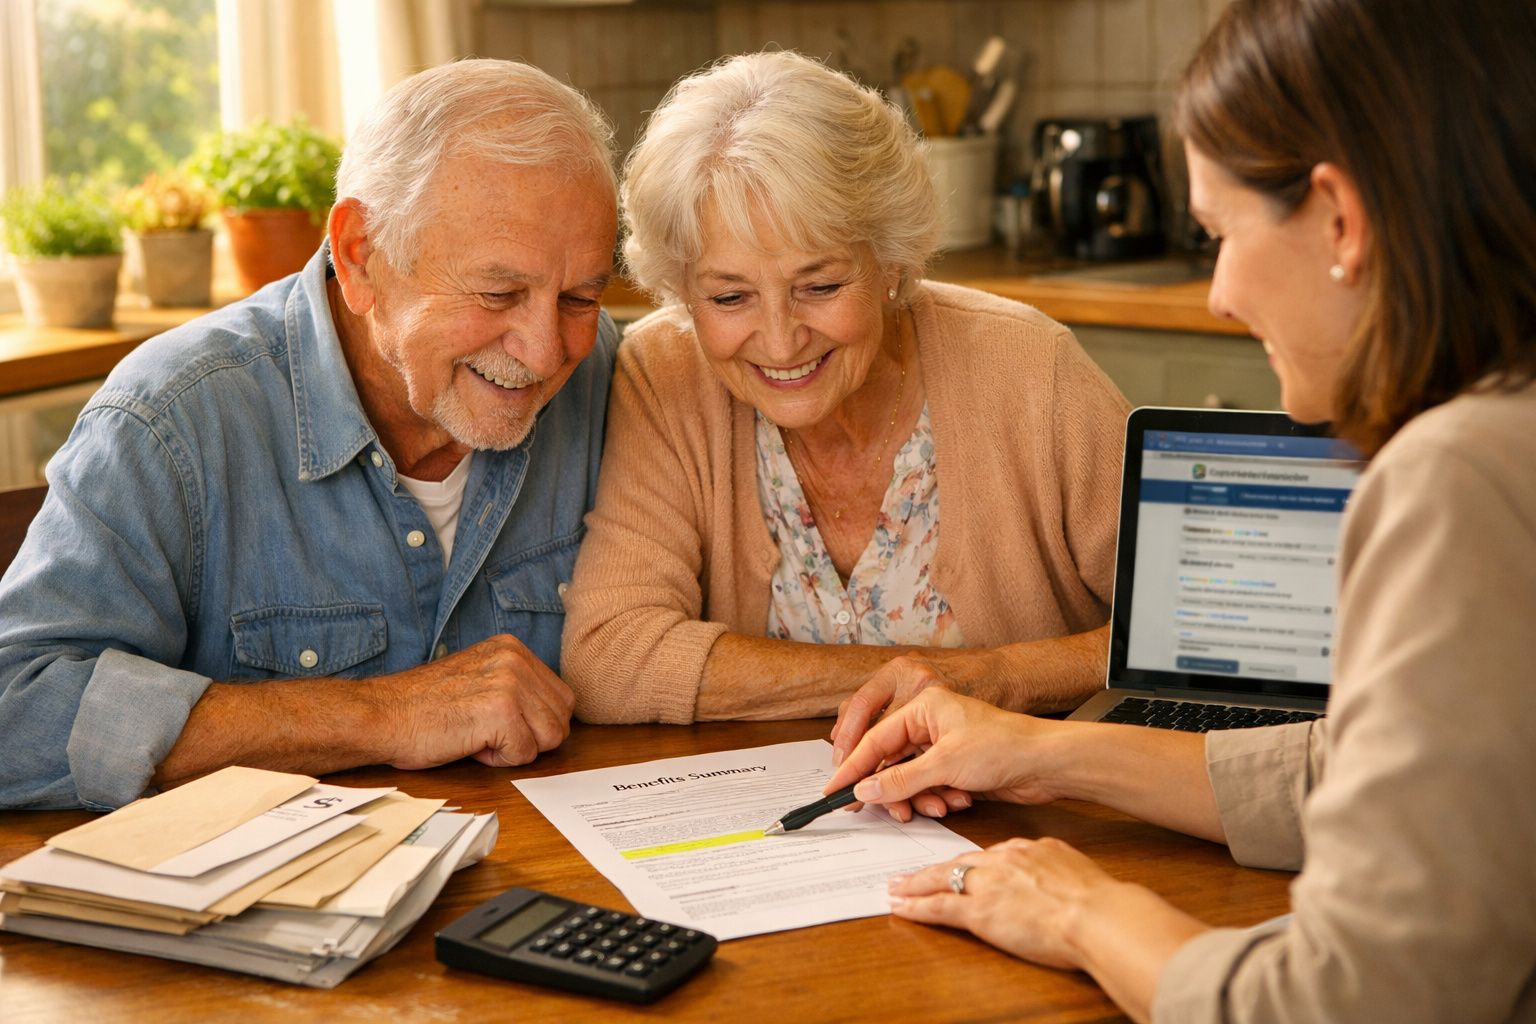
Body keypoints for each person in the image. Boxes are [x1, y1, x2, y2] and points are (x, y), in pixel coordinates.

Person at [825, 0, 1536, 1020]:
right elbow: (1376, 779)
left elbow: (1346, 1004)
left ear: (1341, 219)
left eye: (1219, 235)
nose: (1218, 296)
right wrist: (1039, 752)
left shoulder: (1458, 478)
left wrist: (1081, 911)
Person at [0, 59, 622, 810]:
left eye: (579, 297)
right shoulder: (170, 418)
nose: (546, 352)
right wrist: (381, 714)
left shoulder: (612, 375)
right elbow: (15, 708)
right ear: (360, 255)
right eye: (499, 293)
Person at [561, 51, 1130, 762]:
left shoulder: (1029, 371)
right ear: (681, 289)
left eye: (820, 286)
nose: (779, 340)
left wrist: (1000, 677)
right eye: (729, 297)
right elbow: (612, 657)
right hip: (782, 814)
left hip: (1040, 807)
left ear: (890, 261)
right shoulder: (667, 374)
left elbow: (1204, 630)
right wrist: (925, 680)